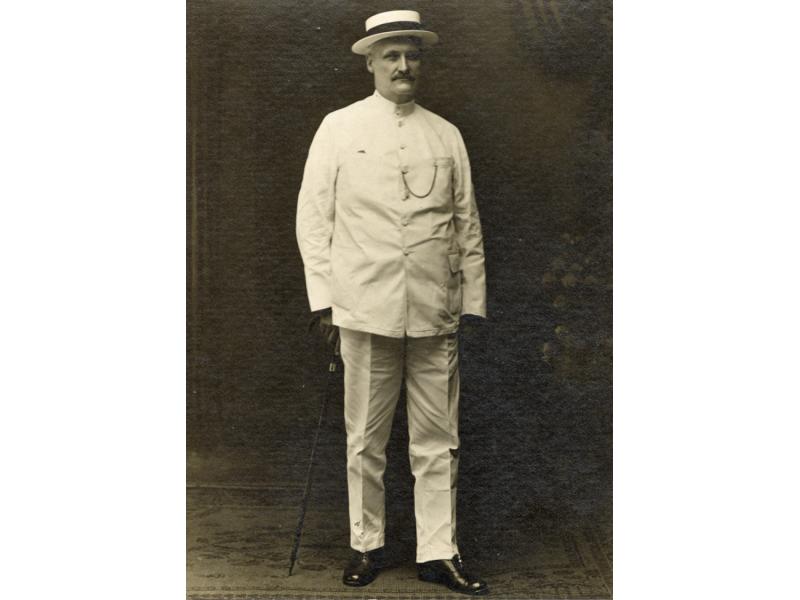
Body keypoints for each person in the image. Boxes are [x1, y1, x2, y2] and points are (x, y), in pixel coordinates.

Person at [296, 9, 488, 596]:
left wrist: (473, 302)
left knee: (437, 439)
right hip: (364, 305)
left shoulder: (444, 133)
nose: (403, 66)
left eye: (412, 56)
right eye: (391, 56)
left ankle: (438, 552)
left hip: (435, 308)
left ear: (420, 63)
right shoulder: (339, 128)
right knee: (365, 438)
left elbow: (466, 224)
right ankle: (366, 545)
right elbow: (314, 219)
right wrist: (325, 302)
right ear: (371, 63)